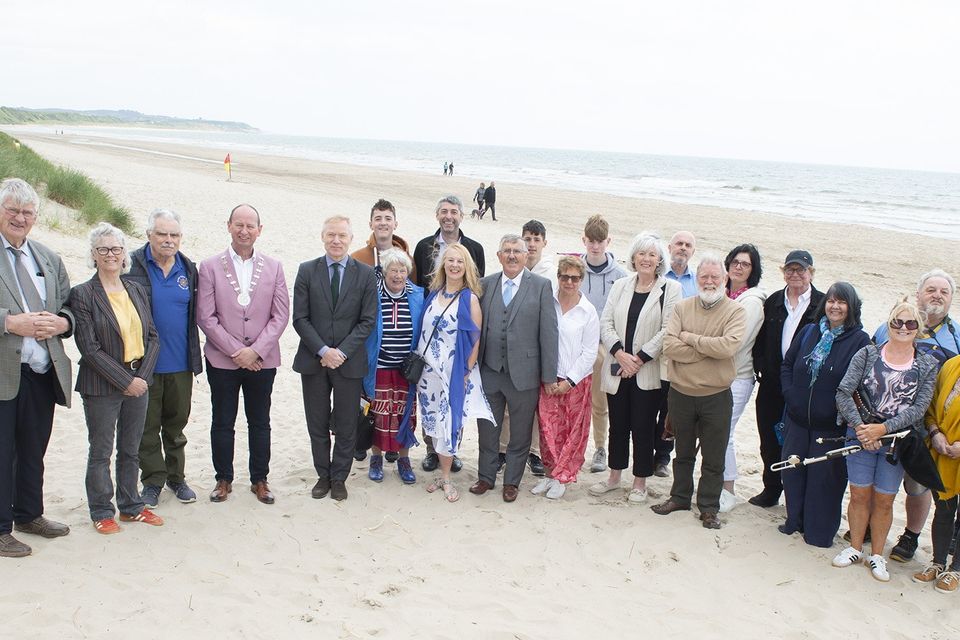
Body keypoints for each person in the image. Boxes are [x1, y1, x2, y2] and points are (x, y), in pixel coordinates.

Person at [834, 301, 937, 582]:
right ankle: (855, 547)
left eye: (910, 324)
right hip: (860, 437)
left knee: (884, 499)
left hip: (895, 443)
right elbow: (844, 392)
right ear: (889, 324)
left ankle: (877, 555)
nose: (903, 328)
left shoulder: (927, 365)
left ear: (919, 329)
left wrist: (882, 429)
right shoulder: (867, 354)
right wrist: (861, 427)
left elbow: (918, 408)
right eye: (897, 322)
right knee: (858, 495)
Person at [70, 223, 162, 533]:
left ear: (124, 254)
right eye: (104, 249)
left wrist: (143, 377)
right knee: (101, 451)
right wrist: (125, 381)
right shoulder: (83, 294)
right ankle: (101, 510)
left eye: (116, 248)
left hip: (139, 380)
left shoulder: (135, 288)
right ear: (93, 255)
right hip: (102, 386)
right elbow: (90, 349)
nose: (111, 254)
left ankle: (131, 506)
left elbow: (152, 336)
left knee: (131, 448)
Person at [0, 178, 74, 557]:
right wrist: (9, 323)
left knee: (33, 448)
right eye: (12, 210)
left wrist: (62, 323)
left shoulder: (47, 257)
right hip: (3, 372)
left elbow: (69, 307)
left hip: (43, 371)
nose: (19, 217)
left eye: (27, 212)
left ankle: (29, 514)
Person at [197, 204, 289, 505]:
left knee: (259, 421)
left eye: (251, 225)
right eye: (239, 224)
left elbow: (280, 315)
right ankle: (223, 479)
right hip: (223, 360)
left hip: (262, 361)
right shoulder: (210, 266)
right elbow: (206, 317)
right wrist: (237, 351)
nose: (244, 230)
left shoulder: (274, 266)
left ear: (259, 230)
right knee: (223, 420)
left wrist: (256, 351)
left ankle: (259, 479)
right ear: (229, 226)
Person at [652, 255, 745, 529]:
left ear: (724, 279)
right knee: (682, 452)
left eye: (715, 277)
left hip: (716, 396)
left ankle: (708, 507)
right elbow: (670, 346)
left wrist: (691, 339)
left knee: (714, 457)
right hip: (681, 393)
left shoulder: (735, 311)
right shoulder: (682, 308)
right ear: (698, 277)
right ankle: (679, 496)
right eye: (704, 276)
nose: (709, 281)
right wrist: (707, 350)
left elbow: (727, 348)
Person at [874, 269, 958, 563]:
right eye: (931, 290)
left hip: (928, 426)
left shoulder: (955, 337)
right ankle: (874, 526)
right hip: (884, 419)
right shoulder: (890, 326)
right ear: (918, 292)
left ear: (951, 299)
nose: (937, 296)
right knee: (879, 477)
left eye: (944, 292)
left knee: (916, 484)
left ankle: (910, 535)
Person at [589, 233, 681, 503]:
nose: (646, 259)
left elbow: (667, 330)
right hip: (618, 368)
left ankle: (639, 482)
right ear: (633, 257)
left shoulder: (670, 290)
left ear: (659, 260)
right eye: (642, 253)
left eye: (652, 254)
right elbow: (605, 322)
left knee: (642, 427)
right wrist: (620, 353)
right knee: (618, 426)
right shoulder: (620, 285)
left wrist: (638, 359)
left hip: (647, 371)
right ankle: (614, 477)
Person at [778, 282, 870, 547]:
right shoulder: (809, 332)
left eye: (842, 302)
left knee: (824, 482)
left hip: (831, 429)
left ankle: (818, 533)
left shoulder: (859, 341)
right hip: (797, 420)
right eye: (831, 301)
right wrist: (790, 394)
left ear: (851, 308)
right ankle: (794, 520)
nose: (835, 306)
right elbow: (787, 364)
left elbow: (860, 385)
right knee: (793, 472)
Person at [293, 216, 378, 502]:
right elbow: (300, 318)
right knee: (316, 422)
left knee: (346, 423)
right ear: (322, 236)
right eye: (331, 235)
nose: (336, 240)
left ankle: (339, 477)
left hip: (348, 362)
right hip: (313, 361)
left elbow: (367, 321)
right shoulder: (307, 271)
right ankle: (323, 475)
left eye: (342, 235)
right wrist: (323, 351)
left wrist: (340, 352)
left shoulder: (365, 274)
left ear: (351, 238)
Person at [471, 234, 559, 503]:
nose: (511, 255)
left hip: (525, 374)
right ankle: (486, 477)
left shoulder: (541, 286)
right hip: (490, 371)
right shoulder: (485, 284)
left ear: (526, 256)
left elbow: (549, 333)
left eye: (517, 251)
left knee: (520, 434)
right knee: (488, 430)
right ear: (499, 256)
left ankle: (512, 482)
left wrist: (548, 376)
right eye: (507, 251)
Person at [124, 208, 202, 508]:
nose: (168, 240)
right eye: (162, 234)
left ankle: (177, 478)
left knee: (176, 425)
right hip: (144, 364)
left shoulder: (188, 268)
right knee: (147, 427)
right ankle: (153, 481)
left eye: (174, 235)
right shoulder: (130, 264)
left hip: (181, 362)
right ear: (148, 235)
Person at [404, 244, 492, 502]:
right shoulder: (433, 294)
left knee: (449, 424)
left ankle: (446, 477)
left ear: (466, 267)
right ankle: (441, 473)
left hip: (452, 373)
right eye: (450, 260)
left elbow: (475, 340)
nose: (454, 265)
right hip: (427, 373)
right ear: (443, 265)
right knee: (432, 423)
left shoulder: (470, 299)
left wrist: (465, 372)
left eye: (459, 261)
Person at [413, 196, 485, 472]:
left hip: (456, 348)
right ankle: (432, 451)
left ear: (461, 216)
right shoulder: (423, 247)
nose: (448, 216)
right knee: (430, 407)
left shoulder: (474, 249)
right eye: (444, 211)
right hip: (431, 342)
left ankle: (451, 453)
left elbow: (477, 293)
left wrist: (467, 366)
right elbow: (418, 288)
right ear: (437, 215)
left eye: (454, 212)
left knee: (454, 408)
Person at [751, 250, 824, 508]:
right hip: (771, 385)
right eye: (790, 270)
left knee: (798, 442)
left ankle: (797, 496)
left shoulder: (823, 304)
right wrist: (761, 367)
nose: (795, 274)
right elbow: (758, 341)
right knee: (768, 440)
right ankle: (771, 488)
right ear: (783, 272)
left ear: (811, 273)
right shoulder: (773, 302)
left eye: (801, 270)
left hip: (804, 389)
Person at [350, 198, 416, 463]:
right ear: (370, 223)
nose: (383, 223)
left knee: (401, 409)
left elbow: (414, 299)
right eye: (378, 218)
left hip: (401, 358)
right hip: (370, 351)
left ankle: (397, 453)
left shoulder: (406, 259)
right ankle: (369, 447)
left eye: (388, 218)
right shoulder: (358, 258)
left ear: (395, 223)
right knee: (372, 408)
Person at [533, 256, 599, 499]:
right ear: (558, 277)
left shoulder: (587, 311)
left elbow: (590, 351)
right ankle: (551, 473)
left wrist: (569, 380)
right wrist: (548, 377)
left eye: (575, 278)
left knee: (573, 431)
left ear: (581, 280)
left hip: (576, 381)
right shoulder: (548, 302)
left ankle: (564, 476)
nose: (569, 282)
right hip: (549, 377)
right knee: (548, 428)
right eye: (565, 277)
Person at [496, 219, 555, 477]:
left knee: (534, 405)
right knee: (508, 407)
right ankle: (502, 449)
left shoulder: (549, 273)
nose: (531, 244)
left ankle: (533, 452)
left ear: (544, 243)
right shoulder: (507, 271)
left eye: (536, 240)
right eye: (527, 239)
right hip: (507, 351)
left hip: (536, 348)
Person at [362, 249, 424, 484]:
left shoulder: (417, 294)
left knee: (404, 417)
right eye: (393, 270)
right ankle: (376, 458)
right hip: (378, 368)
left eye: (402, 270)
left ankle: (404, 460)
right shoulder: (374, 294)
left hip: (406, 371)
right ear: (384, 272)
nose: (398, 275)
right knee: (379, 416)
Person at [719, 244, 766, 512]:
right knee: (715, 432)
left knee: (725, 433)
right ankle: (715, 482)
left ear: (753, 270)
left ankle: (728, 488)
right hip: (715, 375)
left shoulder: (751, 301)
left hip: (738, 376)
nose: (738, 267)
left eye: (745, 264)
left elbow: (735, 342)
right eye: (735, 261)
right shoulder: (723, 294)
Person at [580, 214, 628, 473]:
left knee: (599, 403)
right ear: (584, 240)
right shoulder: (574, 270)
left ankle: (600, 448)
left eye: (600, 241)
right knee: (575, 402)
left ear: (608, 241)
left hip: (604, 347)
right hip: (576, 346)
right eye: (591, 241)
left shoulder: (620, 276)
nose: (595, 246)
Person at [915, 354, 960, 593]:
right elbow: (931, 408)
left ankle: (956, 569)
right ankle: (937, 562)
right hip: (943, 451)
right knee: (944, 509)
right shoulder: (951, 366)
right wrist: (935, 434)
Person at [665, 231, 697, 298]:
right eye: (679, 244)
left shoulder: (698, 281)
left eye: (688, 245)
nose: (683, 248)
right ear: (669, 248)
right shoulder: (657, 275)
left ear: (693, 252)